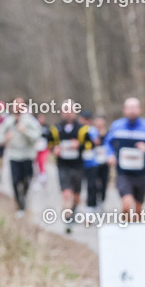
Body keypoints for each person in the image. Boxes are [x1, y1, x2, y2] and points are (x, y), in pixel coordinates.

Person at [105, 97, 145, 220]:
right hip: (123, 174)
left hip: (141, 174)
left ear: (140, 109)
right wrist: (110, 155)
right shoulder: (117, 126)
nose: (132, 111)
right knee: (127, 204)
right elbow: (107, 143)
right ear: (124, 110)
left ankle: (136, 233)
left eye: (135, 108)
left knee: (138, 210)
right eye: (129, 108)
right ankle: (125, 228)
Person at [48, 100, 93, 233]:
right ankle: (67, 221)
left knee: (77, 195)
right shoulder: (55, 128)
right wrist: (53, 150)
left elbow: (91, 145)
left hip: (78, 166)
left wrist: (79, 145)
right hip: (63, 166)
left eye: (70, 110)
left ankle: (73, 211)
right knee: (67, 194)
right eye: (65, 110)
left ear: (75, 112)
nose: (68, 113)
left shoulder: (83, 129)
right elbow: (48, 144)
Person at [0, 97, 42, 217]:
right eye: (15, 105)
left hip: (27, 155)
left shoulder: (30, 121)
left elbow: (37, 136)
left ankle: (24, 197)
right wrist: (6, 137)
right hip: (13, 156)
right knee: (15, 180)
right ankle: (19, 204)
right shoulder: (8, 121)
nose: (17, 107)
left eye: (20, 105)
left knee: (27, 179)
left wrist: (25, 131)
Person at [81, 112, 106, 213]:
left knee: (103, 184)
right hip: (92, 162)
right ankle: (91, 205)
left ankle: (101, 201)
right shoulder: (90, 131)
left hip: (104, 162)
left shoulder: (107, 133)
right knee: (92, 184)